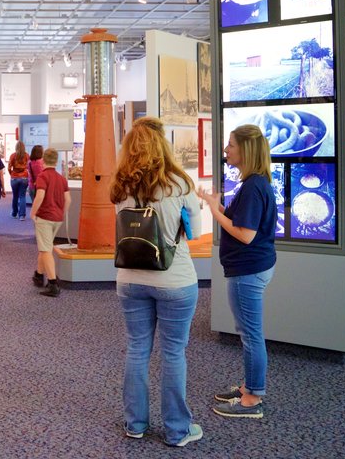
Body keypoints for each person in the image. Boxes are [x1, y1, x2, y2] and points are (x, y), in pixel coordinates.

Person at [109, 117, 203, 447]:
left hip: (130, 279)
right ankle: (177, 430)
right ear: (163, 144)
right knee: (173, 354)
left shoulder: (120, 186)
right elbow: (196, 233)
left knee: (137, 349)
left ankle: (135, 423)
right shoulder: (180, 184)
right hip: (175, 280)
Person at [196, 123, 277, 420]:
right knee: (249, 333)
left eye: (231, 145)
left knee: (251, 335)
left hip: (248, 271)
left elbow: (245, 234)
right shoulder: (254, 184)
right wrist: (215, 203)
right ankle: (249, 387)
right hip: (252, 268)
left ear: (246, 149)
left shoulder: (254, 186)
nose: (226, 149)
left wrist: (215, 211)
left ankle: (253, 397)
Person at [29, 148, 69, 298]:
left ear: (43, 160)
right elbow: (68, 200)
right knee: (44, 246)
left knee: (46, 250)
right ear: (56, 161)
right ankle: (39, 275)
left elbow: (40, 195)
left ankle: (53, 284)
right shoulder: (62, 179)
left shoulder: (42, 176)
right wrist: (61, 213)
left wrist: (33, 213)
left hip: (45, 218)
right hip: (57, 219)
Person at [7, 141, 30, 220]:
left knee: (15, 196)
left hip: (14, 178)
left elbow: (9, 167)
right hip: (24, 178)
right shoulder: (27, 155)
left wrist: (12, 174)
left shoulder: (13, 156)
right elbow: (28, 167)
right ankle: (22, 215)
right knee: (22, 196)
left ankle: (14, 213)